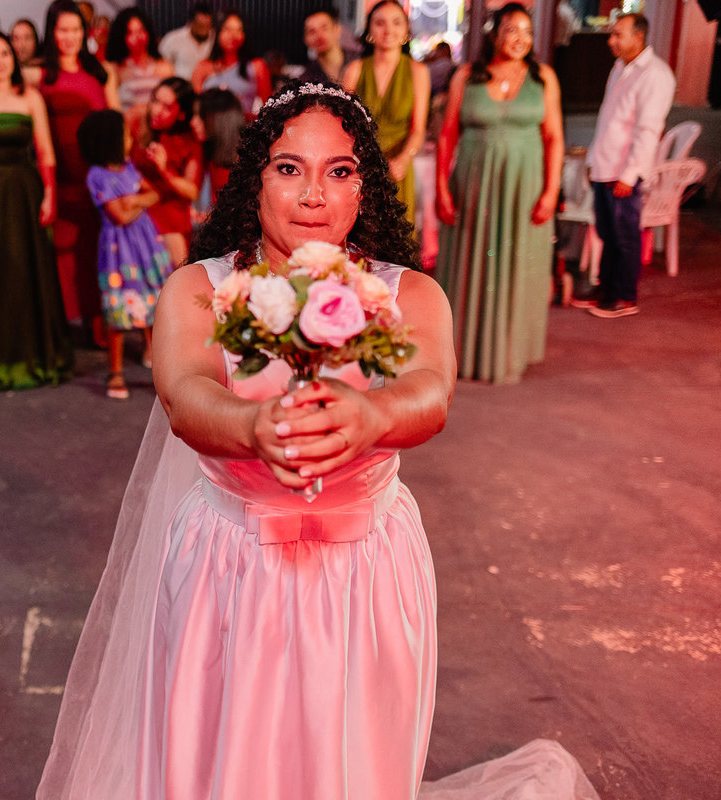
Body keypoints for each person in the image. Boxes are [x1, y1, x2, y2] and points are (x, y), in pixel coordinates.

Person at [37, 79, 455, 799]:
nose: (314, 195)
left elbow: (429, 389)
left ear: (365, 190)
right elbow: (186, 393)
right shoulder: (197, 290)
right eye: (289, 168)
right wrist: (254, 427)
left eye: (340, 171)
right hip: (229, 572)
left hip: (370, 577)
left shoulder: (411, 294)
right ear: (253, 182)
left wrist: (374, 417)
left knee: (357, 771)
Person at [434, 2, 563, 384]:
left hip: (524, 187)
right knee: (470, 263)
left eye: (526, 32)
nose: (519, 39)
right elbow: (447, 136)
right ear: (495, 34)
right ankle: (462, 353)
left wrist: (551, 191)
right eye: (511, 30)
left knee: (516, 265)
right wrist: (442, 188)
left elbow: (554, 137)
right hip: (473, 184)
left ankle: (509, 350)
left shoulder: (544, 79)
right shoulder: (466, 77)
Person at [0, 30, 73, 390]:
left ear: (14, 58)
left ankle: (35, 356)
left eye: (5, 53)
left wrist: (50, 194)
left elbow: (45, 152)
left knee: (27, 272)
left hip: (25, 194)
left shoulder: (30, 97)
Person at [27, 0, 120, 344]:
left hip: (96, 180)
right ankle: (60, 326)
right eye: (62, 30)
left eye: (75, 29)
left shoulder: (101, 71)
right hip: (55, 177)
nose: (69, 37)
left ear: (85, 32)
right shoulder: (37, 75)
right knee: (60, 255)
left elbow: (115, 125)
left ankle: (99, 322)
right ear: (51, 33)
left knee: (96, 251)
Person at [579, 12, 675, 319]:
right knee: (608, 234)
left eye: (618, 34)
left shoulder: (655, 75)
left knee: (625, 235)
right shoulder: (620, 67)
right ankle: (606, 287)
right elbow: (609, 120)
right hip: (605, 165)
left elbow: (647, 131)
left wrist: (630, 173)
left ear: (638, 37)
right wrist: (593, 158)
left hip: (624, 171)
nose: (611, 41)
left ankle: (624, 296)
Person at [80, 109, 171, 399]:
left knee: (154, 303)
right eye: (125, 134)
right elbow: (118, 215)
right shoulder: (97, 176)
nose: (130, 138)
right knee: (119, 311)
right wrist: (132, 203)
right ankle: (115, 372)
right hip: (120, 252)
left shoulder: (129, 168)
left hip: (146, 245)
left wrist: (132, 201)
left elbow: (155, 193)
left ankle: (159, 363)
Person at [342, 0, 429, 233]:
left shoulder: (418, 72)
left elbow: (418, 130)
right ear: (369, 30)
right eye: (380, 23)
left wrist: (403, 158)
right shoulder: (356, 69)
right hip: (360, 166)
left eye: (396, 23)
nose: (388, 30)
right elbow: (343, 124)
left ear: (406, 31)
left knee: (396, 241)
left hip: (398, 166)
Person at [131, 77, 202, 267]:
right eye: (154, 101)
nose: (156, 110)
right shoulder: (138, 125)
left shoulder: (189, 142)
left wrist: (165, 170)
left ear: (180, 113)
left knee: (175, 280)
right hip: (137, 215)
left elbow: (191, 191)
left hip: (170, 221)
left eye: (166, 107)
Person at [191, 11, 272, 116]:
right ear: (217, 31)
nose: (233, 35)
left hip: (244, 127)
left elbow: (269, 108)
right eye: (227, 29)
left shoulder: (257, 66)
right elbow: (196, 109)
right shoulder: (203, 66)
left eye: (239, 30)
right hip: (210, 129)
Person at [107, 7, 173, 122]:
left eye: (141, 31)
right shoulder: (114, 69)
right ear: (121, 37)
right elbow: (113, 110)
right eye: (130, 33)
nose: (138, 37)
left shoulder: (164, 66)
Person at [193, 86, 245, 203]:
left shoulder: (243, 164)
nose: (193, 122)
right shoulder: (211, 150)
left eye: (201, 116)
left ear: (219, 121)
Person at [158, 2, 214, 82]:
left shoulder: (215, 39)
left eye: (207, 26)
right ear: (190, 23)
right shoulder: (173, 39)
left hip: (208, 88)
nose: (204, 31)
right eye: (200, 26)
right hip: (180, 88)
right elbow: (161, 64)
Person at [298, 7, 349, 85]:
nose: (319, 36)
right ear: (305, 39)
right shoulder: (307, 79)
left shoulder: (360, 62)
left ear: (337, 30)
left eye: (324, 28)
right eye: (312, 31)